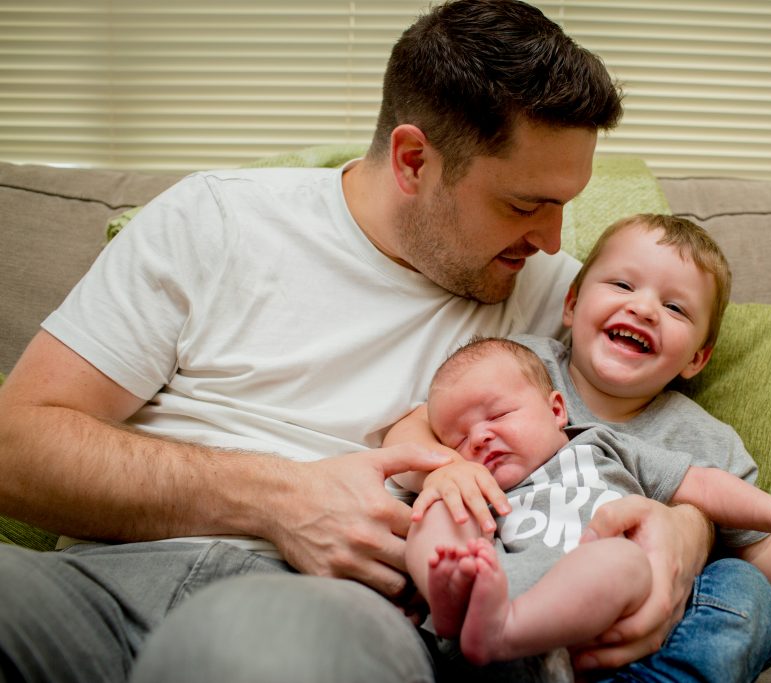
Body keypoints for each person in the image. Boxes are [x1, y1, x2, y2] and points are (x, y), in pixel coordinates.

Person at [0, 2, 733, 682]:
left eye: (564, 208)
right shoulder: (216, 220)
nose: (549, 240)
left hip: (327, 611)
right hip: (93, 587)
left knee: (241, 655)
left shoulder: (565, 298)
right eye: (524, 205)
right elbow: (17, 445)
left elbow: (664, 449)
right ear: (414, 162)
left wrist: (685, 533)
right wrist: (278, 498)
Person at [388, 213, 771, 683]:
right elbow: (420, 425)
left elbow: (762, 546)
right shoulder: (521, 366)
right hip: (501, 575)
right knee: (441, 512)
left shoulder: (699, 437)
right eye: (621, 284)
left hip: (621, 611)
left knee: (748, 590)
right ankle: (454, 602)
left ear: (697, 356)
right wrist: (440, 471)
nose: (643, 307)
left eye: (674, 307)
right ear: (571, 305)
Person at [404, 336, 771, 669]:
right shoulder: (480, 484)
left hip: (585, 606)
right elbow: (415, 461)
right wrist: (446, 474)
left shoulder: (602, 445)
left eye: (497, 416)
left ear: (556, 409)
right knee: (441, 504)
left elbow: (701, 485)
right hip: (489, 591)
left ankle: (510, 630)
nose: (478, 438)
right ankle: (449, 593)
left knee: (623, 559)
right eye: (458, 438)